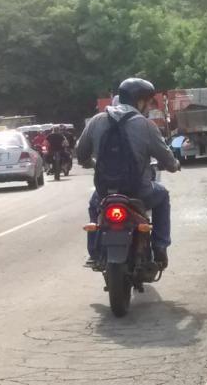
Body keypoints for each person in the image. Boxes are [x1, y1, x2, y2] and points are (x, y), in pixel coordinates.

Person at [76, 78, 180, 268]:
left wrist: (90, 163)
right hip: (139, 191)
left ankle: (93, 252)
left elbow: (81, 153)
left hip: (105, 192)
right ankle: (159, 247)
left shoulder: (97, 120)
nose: (148, 107)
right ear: (139, 101)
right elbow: (167, 160)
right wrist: (174, 165)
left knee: (94, 205)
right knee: (162, 196)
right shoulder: (146, 125)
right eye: (148, 102)